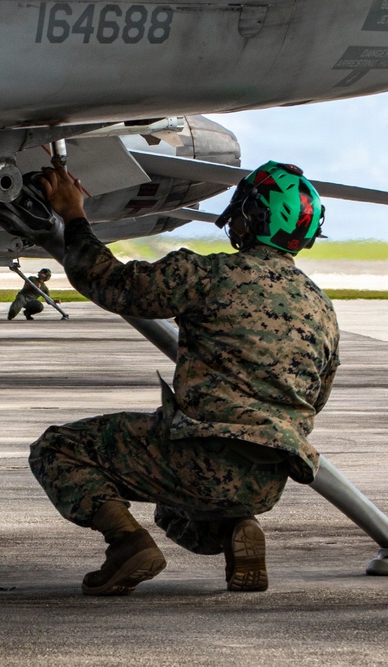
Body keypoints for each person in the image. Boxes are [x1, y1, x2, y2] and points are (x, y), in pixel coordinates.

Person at [28, 161, 339, 595]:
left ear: (249, 217)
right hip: (265, 483)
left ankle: (126, 544)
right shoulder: (321, 308)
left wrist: (73, 215)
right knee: (174, 510)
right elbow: (315, 398)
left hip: (198, 461)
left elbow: (107, 281)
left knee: (57, 448)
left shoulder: (212, 275)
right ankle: (235, 529)